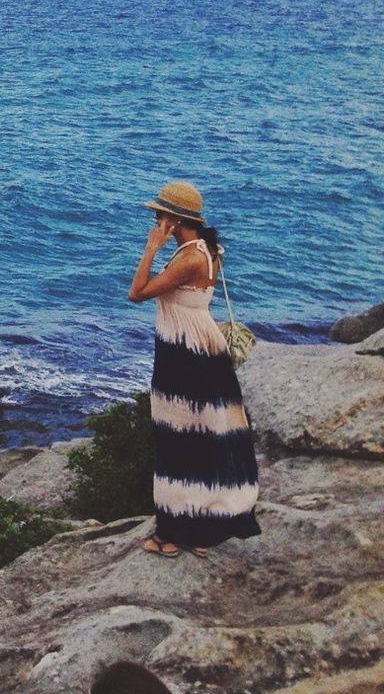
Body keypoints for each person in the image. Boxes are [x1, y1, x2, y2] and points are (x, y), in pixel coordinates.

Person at [128, 181, 260, 558]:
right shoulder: (207, 249)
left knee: (177, 439)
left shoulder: (188, 258)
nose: (156, 219)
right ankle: (198, 531)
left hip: (184, 352)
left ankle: (170, 536)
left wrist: (151, 248)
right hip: (201, 345)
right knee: (201, 438)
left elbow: (137, 292)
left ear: (176, 219)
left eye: (160, 214)